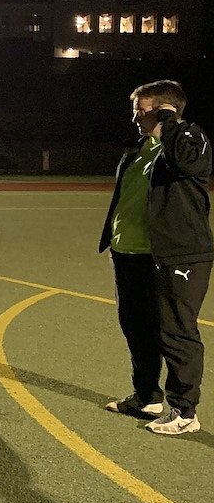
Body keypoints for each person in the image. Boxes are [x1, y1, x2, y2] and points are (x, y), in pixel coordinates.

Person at [100, 80, 211, 435]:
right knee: (137, 328)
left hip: (175, 255)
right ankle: (146, 396)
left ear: (165, 111)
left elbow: (189, 164)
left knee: (176, 331)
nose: (135, 118)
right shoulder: (138, 147)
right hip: (130, 254)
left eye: (143, 111)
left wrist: (170, 122)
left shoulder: (188, 139)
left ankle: (184, 411)